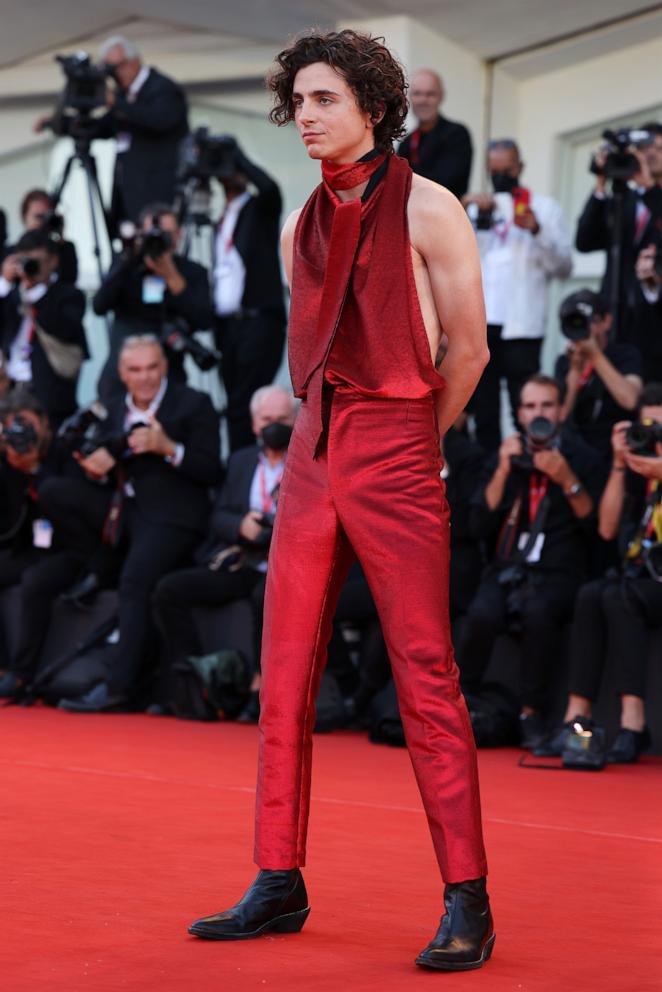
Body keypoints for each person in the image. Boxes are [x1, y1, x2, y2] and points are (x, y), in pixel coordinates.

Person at [188, 29, 495, 973]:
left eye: (324, 100)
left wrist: (412, 444)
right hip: (315, 449)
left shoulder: (433, 209)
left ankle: (467, 898)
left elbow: (471, 353)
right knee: (283, 668)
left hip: (398, 443)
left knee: (425, 676)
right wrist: (331, 445)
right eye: (300, 102)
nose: (307, 118)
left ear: (372, 104)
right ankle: (277, 877)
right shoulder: (297, 225)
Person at [35, 336, 222, 711]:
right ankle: (95, 563)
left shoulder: (193, 404)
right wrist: (97, 470)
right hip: (125, 514)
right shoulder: (113, 409)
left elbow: (213, 471)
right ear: (122, 373)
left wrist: (170, 449)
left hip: (174, 517)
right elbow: (103, 464)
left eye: (152, 367)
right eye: (135, 370)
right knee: (55, 491)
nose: (145, 378)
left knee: (135, 581)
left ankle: (118, 688)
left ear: (165, 365)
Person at [457, 375, 603, 750]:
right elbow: (477, 524)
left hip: (558, 571)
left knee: (540, 613)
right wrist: (504, 471)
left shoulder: (582, 455)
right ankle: (457, 706)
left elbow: (598, 529)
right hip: (507, 568)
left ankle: (530, 713)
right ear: (519, 414)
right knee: (481, 613)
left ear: (562, 410)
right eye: (531, 406)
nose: (539, 413)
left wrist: (566, 478)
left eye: (547, 406)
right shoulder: (508, 454)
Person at [152, 384, 296, 719]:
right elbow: (217, 515)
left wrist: (278, 527)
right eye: (267, 418)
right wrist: (239, 526)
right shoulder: (241, 460)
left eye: (282, 418)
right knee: (169, 590)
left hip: (285, 565)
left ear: (296, 419)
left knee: (267, 597)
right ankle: (194, 679)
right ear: (253, 424)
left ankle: (260, 690)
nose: (274, 425)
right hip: (240, 562)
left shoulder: (311, 460)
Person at [536, 383, 662, 764]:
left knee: (618, 595)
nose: (653, 437)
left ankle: (633, 724)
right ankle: (577, 719)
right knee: (592, 593)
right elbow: (607, 530)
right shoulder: (639, 470)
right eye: (648, 427)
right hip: (643, 577)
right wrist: (620, 465)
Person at [463, 139, 572, 452]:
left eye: (507, 169)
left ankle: (525, 469)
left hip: (521, 325)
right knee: (482, 411)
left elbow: (563, 266)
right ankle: (489, 480)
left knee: (523, 407)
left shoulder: (543, 207)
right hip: (480, 325)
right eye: (494, 171)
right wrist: (464, 207)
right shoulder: (474, 207)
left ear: (520, 168)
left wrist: (537, 230)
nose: (501, 176)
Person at [0, 391, 85, 699]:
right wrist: (11, 469)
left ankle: (22, 675)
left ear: (45, 424)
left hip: (70, 551)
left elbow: (76, 511)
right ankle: (2, 665)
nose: (22, 435)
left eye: (27, 425)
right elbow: (8, 526)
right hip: (30, 549)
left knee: (34, 582)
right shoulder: (8, 460)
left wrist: (36, 469)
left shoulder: (67, 452)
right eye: (13, 428)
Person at [93, 203, 214, 401]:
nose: (160, 239)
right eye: (154, 234)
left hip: (170, 374)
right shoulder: (126, 264)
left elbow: (203, 320)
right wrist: (129, 257)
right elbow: (99, 306)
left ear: (179, 235)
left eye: (167, 233)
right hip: (122, 375)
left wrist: (172, 277)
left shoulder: (193, 272)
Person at [212, 141, 287, 452]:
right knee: (234, 404)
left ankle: (245, 467)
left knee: (246, 403)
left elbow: (270, 190)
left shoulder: (258, 209)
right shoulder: (221, 217)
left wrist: (239, 159)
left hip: (259, 321)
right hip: (229, 327)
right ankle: (240, 469)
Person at [575, 123, 662, 350]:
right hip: (614, 314)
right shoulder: (623, 199)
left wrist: (650, 188)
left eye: (660, 149)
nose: (651, 155)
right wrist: (601, 184)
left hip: (654, 320)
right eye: (645, 149)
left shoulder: (654, 199)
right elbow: (584, 241)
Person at [0, 230, 88, 428]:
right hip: (10, 390)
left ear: (53, 261)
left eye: (37, 261)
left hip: (51, 395)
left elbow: (62, 329)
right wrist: (4, 282)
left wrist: (37, 293)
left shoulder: (68, 295)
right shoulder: (12, 295)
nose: (30, 267)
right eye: (25, 261)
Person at [555, 289, 642, 461]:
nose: (583, 328)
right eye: (575, 322)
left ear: (606, 321)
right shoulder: (565, 362)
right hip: (576, 452)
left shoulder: (625, 354)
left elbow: (630, 400)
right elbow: (561, 416)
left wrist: (595, 355)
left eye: (588, 321)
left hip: (616, 448)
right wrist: (575, 371)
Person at [397, 69, 472, 200]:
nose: (423, 100)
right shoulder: (406, 143)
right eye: (417, 94)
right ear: (409, 98)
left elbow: (442, 185)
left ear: (441, 96)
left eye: (430, 94)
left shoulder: (456, 134)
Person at [4, 189, 78, 286]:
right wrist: (5, 281)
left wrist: (60, 236)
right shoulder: (9, 253)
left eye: (47, 217)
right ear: (24, 217)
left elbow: (69, 284)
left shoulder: (64, 249)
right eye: (38, 217)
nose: (43, 223)